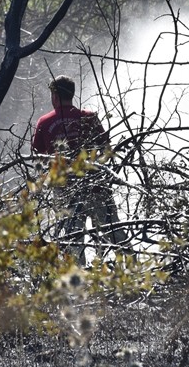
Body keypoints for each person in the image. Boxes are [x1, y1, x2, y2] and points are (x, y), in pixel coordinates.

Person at [32, 75, 127, 259]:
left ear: (54, 96)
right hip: (96, 186)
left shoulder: (44, 122)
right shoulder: (89, 117)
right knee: (115, 235)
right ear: (72, 94)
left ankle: (80, 285)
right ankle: (134, 274)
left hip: (64, 191)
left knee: (73, 243)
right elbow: (107, 151)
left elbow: (39, 158)